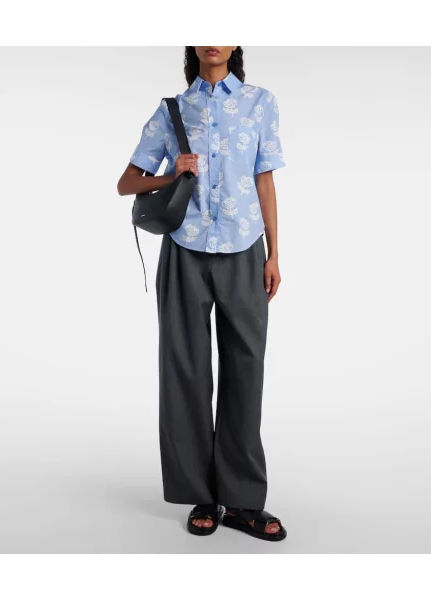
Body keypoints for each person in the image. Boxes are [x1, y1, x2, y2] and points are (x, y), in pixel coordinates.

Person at [117, 46, 287, 541]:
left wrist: (274, 254)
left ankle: (243, 501)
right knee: (185, 370)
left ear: (236, 45)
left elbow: (264, 179)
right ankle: (201, 496)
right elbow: (127, 183)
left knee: (246, 369)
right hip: (184, 250)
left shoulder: (260, 102)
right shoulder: (173, 109)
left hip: (244, 247)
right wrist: (174, 172)